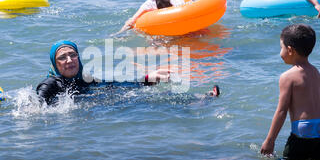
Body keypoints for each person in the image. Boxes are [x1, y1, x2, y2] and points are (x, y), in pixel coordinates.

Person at [36, 40, 220, 105]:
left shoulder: (85, 79)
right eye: (62, 57)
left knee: (148, 97)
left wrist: (148, 79)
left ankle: (198, 99)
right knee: (143, 102)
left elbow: (115, 83)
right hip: (82, 113)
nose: (69, 60)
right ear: (55, 63)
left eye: (72, 55)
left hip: (95, 104)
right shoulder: (51, 84)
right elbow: (35, 105)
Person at [261, 24, 320, 160]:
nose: (280, 52)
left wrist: (270, 140)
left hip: (303, 130)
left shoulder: (287, 77)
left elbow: (281, 111)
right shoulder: (315, 72)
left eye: (281, 48)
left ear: (290, 50)